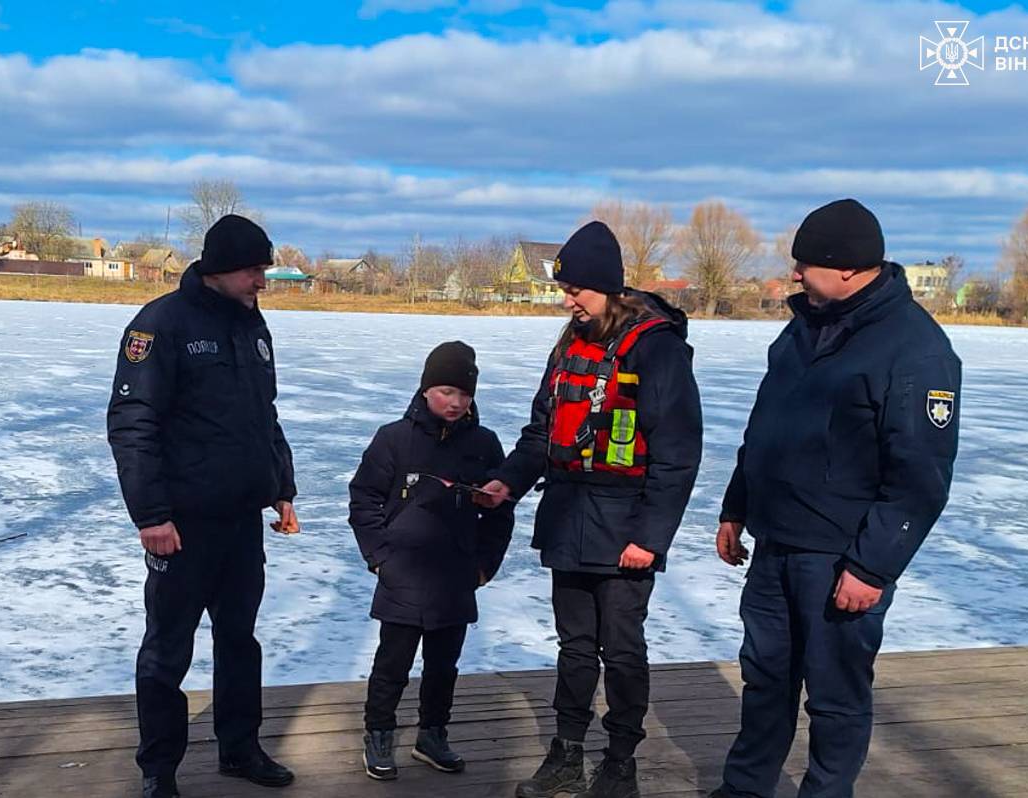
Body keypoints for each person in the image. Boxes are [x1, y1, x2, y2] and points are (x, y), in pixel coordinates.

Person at [711, 199, 962, 798]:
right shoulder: (804, 328)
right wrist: (735, 505)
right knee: (766, 680)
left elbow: (921, 475)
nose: (795, 275)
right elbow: (766, 425)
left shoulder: (915, 349)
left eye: (806, 264)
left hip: (843, 558)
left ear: (848, 268)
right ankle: (745, 788)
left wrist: (872, 566)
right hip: (776, 546)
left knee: (835, 694)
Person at [480, 221, 703, 798]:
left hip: (627, 526)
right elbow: (540, 432)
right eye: (564, 289)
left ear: (609, 286)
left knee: (622, 647)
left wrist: (651, 537)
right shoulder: (568, 345)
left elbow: (678, 455)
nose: (568, 299)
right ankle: (566, 754)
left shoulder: (656, 349)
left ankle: (620, 761)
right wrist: (507, 482)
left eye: (578, 289)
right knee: (575, 646)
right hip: (567, 516)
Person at [107, 214, 299, 798]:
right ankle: (158, 771)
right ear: (218, 268)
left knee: (240, 640)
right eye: (252, 269)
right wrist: (151, 516)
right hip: (181, 525)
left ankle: (240, 748)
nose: (261, 281)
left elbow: (263, 417)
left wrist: (282, 489)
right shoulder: (160, 324)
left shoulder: (253, 326)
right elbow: (131, 424)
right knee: (168, 650)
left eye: (264, 269)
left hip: (242, 521)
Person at [349, 341, 514, 782]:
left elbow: (501, 510)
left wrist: (485, 565)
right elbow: (363, 498)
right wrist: (379, 557)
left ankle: (432, 734)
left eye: (464, 394)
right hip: (401, 572)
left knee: (444, 666)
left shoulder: (484, 444)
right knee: (392, 664)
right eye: (445, 391)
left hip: (456, 576)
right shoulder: (393, 439)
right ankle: (379, 733)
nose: (456, 402)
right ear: (425, 391)